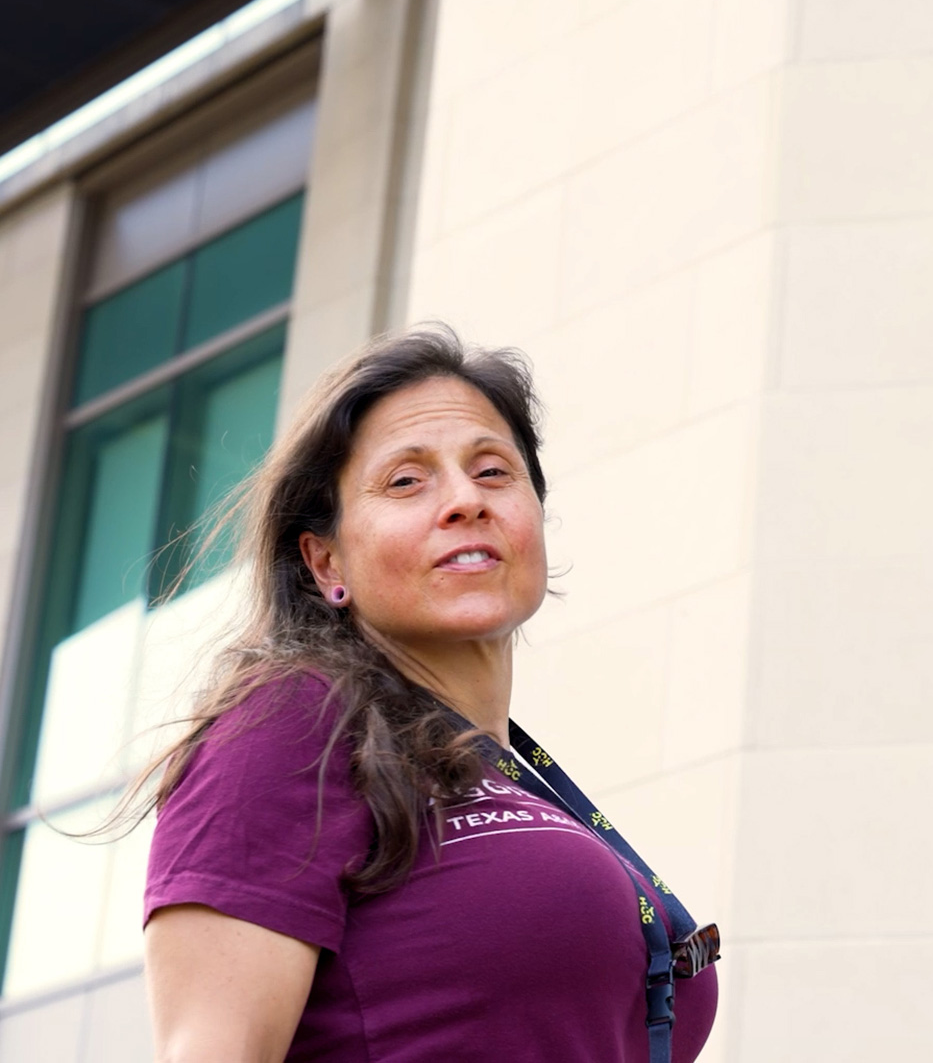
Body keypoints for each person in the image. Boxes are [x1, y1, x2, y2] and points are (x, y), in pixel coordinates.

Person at [137, 325, 717, 1062]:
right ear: (324, 562)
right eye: (406, 481)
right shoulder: (289, 724)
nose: (465, 500)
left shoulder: (517, 780)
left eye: (494, 471)